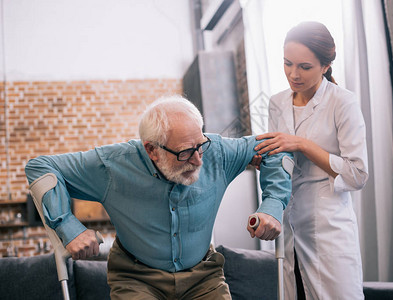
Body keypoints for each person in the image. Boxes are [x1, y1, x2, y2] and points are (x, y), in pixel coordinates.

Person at [25, 95, 293, 300]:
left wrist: (271, 206)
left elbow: (276, 148)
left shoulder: (217, 151)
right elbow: (40, 167)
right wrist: (69, 228)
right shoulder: (111, 166)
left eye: (201, 145)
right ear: (152, 150)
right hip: (136, 278)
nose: (199, 159)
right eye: (186, 153)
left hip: (203, 276)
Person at [253, 21, 368, 299]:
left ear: (326, 66)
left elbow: (357, 174)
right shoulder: (277, 102)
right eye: (287, 63)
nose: (294, 74)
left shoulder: (343, 102)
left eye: (304, 67)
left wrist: (302, 145)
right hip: (289, 228)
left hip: (329, 230)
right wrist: (265, 158)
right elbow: (282, 161)